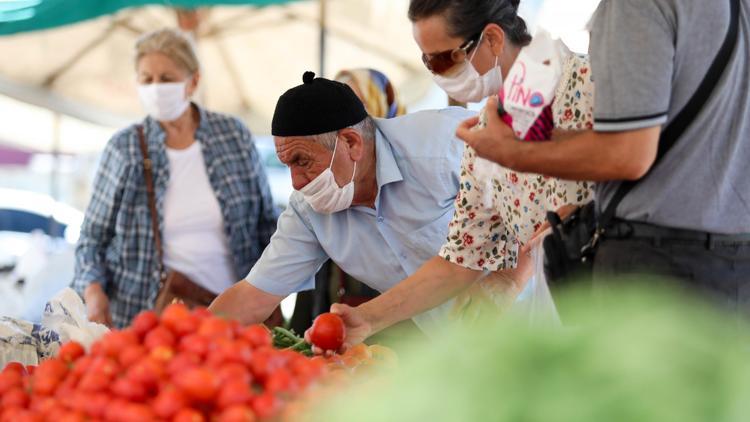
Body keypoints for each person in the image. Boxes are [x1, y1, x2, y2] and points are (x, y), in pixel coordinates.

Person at [308, 0, 596, 349]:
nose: (436, 73)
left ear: (491, 39)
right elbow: (460, 259)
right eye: (425, 60)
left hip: (631, 298)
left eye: (443, 58)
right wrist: (369, 317)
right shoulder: (485, 129)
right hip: (557, 315)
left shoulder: (587, 85)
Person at [456, 0, 750, 311]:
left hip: (661, 268)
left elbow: (628, 153)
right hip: (731, 260)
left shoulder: (635, 7)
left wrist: (510, 151)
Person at [209, 71, 472, 333]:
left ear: (351, 143)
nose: (296, 183)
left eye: (302, 161)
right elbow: (253, 296)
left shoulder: (444, 145)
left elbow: (512, 183)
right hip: (454, 345)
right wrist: (185, 337)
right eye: (287, 165)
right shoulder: (308, 210)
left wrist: (508, 277)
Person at [72, 28, 278, 328]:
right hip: (145, 317)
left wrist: (274, 290)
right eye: (147, 79)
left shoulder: (233, 135)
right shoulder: (124, 148)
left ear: (193, 82)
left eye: (166, 79)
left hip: (233, 317)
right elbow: (92, 238)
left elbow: (266, 223)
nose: (156, 88)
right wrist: (92, 291)